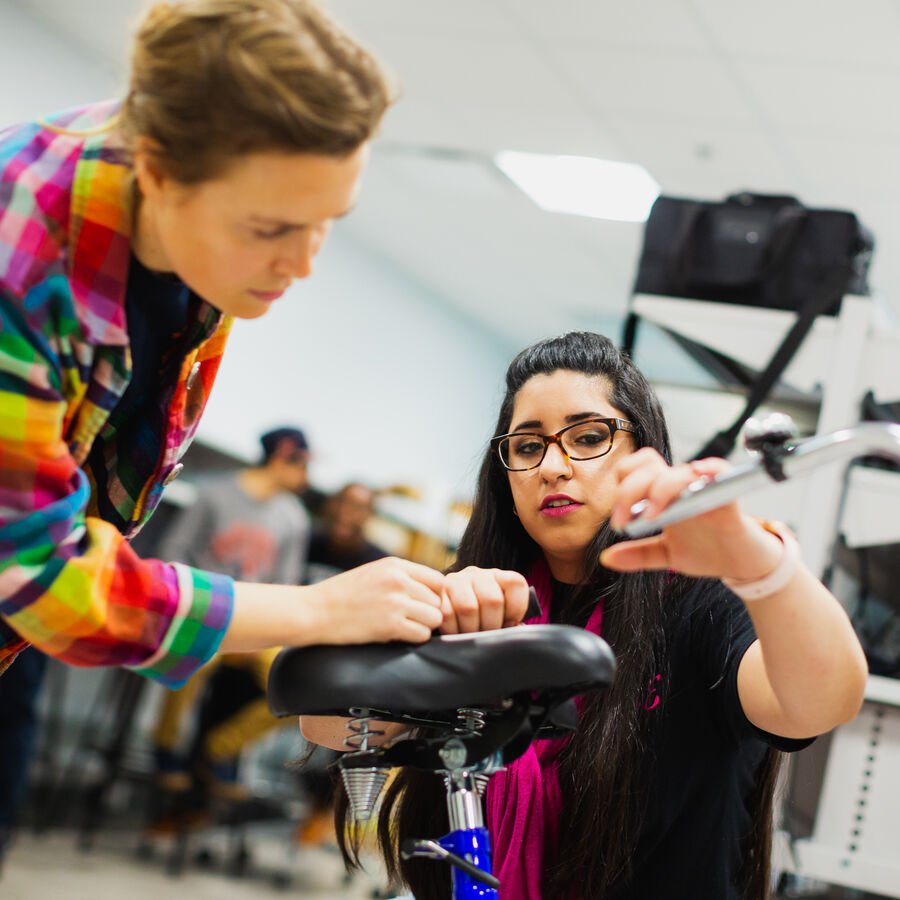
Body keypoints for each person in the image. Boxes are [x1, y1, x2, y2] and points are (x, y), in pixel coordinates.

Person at [0, 0, 529, 689]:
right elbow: (34, 576)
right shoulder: (20, 256)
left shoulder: (201, 247)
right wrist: (315, 609)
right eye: (270, 228)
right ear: (157, 171)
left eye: (326, 222)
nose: (302, 263)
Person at [301, 331, 868, 900]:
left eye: (588, 437)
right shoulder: (478, 602)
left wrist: (761, 565)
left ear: (641, 452)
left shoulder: (702, 604)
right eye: (527, 447)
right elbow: (324, 723)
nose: (553, 466)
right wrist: (435, 645)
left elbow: (820, 703)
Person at [149, 426, 313, 791]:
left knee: (301, 684)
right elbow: (172, 550)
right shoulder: (215, 493)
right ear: (283, 456)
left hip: (253, 622)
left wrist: (266, 628)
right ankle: (167, 747)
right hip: (203, 610)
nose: (307, 477)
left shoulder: (294, 518)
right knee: (195, 660)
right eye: (302, 465)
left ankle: (218, 750)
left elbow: (286, 586)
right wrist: (189, 599)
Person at [304, 481, 387, 584]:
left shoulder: (376, 565)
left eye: (357, 507)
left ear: (369, 515)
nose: (345, 511)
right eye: (342, 502)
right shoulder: (305, 542)